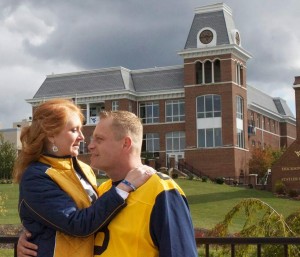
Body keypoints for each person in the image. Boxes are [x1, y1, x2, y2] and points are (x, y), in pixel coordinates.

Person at [18, 110, 198, 257]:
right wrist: (34, 239)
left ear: (125, 144)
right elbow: (73, 228)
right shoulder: (101, 192)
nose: (89, 145)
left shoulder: (161, 189)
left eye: (99, 139)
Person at [14, 99, 153, 257]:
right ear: (51, 135)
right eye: (74, 130)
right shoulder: (35, 177)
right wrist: (125, 186)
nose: (82, 137)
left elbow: (98, 213)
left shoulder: (84, 169)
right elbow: (77, 224)